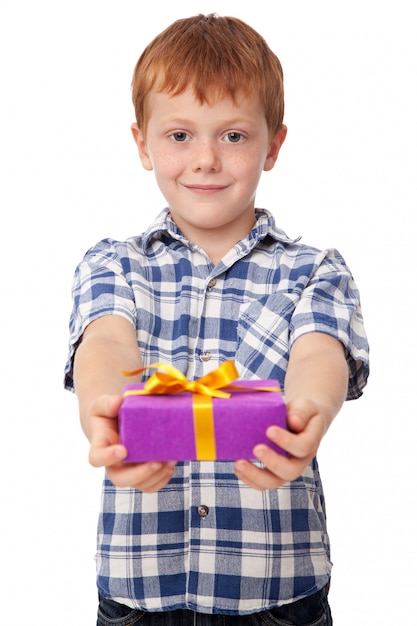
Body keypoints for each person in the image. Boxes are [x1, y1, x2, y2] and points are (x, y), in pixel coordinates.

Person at [64, 13, 369, 626]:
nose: (205, 159)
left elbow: (319, 354)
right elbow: (105, 341)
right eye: (180, 135)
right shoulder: (114, 263)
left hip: (275, 596)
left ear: (273, 144)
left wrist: (308, 411)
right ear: (142, 144)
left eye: (233, 136)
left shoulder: (314, 269)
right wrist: (110, 409)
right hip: (141, 594)